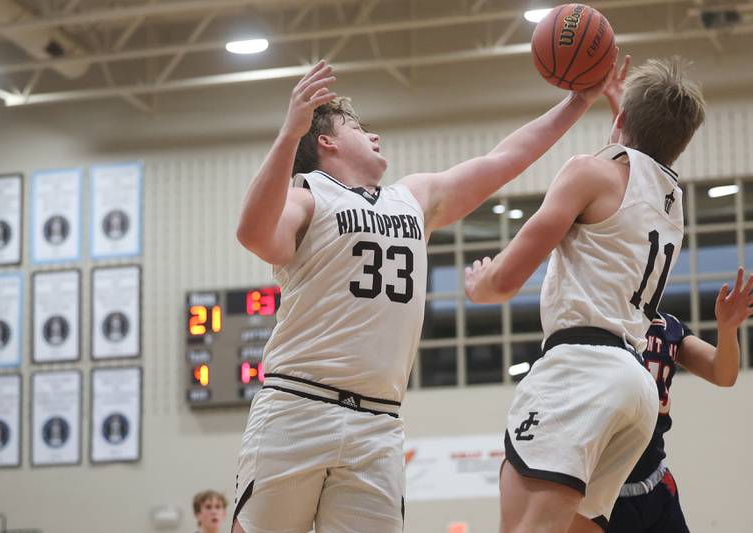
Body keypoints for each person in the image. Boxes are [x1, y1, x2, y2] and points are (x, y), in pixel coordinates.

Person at [233, 54, 616, 533]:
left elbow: (502, 159)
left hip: (377, 421)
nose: (373, 135)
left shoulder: (412, 197)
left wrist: (578, 102)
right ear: (325, 141)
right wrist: (289, 135)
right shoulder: (306, 195)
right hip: (297, 405)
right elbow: (253, 233)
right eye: (356, 126)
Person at [464, 56, 705, 532]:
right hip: (635, 390)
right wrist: (625, 115)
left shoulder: (588, 172)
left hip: (580, 369)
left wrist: (480, 285)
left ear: (619, 123)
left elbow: (507, 279)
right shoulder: (672, 205)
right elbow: (642, 161)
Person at [607, 269, 748, 532]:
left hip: (655, 482)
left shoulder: (669, 328)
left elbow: (723, 374)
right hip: (604, 491)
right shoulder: (599, 325)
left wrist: (727, 330)